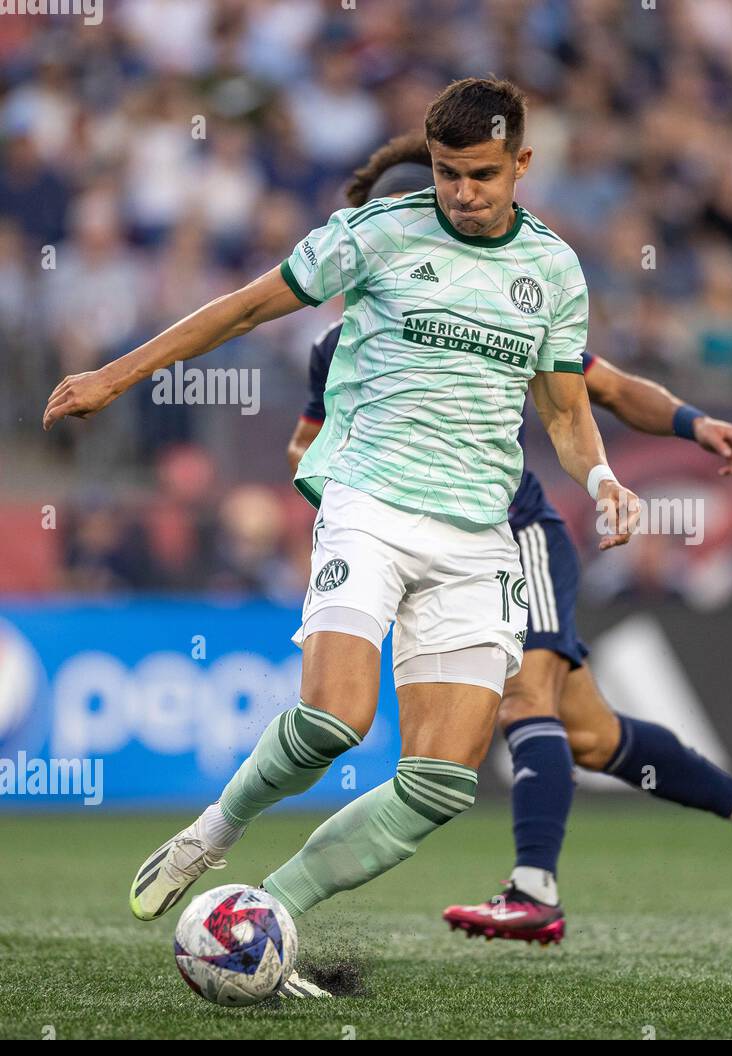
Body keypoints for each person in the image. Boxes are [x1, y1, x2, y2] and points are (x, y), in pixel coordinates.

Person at [44, 78, 640, 995]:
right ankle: (212, 833)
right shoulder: (377, 234)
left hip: (477, 534)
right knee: (333, 720)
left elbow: (563, 410)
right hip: (370, 502)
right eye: (446, 173)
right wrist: (116, 377)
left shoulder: (555, 272)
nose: (462, 192)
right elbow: (244, 307)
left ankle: (268, 914)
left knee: (441, 784)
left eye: (482, 175)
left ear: (522, 164)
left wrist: (600, 477)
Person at [288, 136, 732, 946]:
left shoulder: (501, 302)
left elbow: (601, 389)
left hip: (513, 530)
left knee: (526, 700)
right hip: (417, 542)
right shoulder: (335, 351)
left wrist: (690, 421)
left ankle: (534, 889)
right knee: (595, 738)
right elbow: (304, 447)